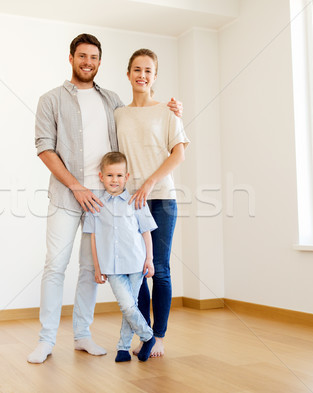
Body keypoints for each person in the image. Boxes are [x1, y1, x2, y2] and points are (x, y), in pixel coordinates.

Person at [29, 34, 182, 364]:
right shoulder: (51, 99)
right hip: (68, 196)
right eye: (82, 55)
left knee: (89, 271)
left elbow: (146, 117)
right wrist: (76, 186)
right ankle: (46, 340)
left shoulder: (112, 101)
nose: (88, 62)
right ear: (71, 58)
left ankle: (82, 335)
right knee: (55, 265)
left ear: (100, 62)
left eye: (94, 57)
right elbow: (44, 147)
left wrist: (175, 111)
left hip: (107, 201)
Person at [115, 48, 190, 358]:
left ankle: (158, 336)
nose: (142, 75)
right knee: (137, 269)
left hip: (160, 198)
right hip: (128, 202)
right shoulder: (119, 113)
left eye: (148, 70)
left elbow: (179, 153)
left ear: (154, 76)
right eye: (137, 69)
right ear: (128, 73)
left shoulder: (167, 112)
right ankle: (144, 334)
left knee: (158, 268)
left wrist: (148, 182)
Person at [83, 152, 157, 362]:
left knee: (129, 305)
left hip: (136, 263)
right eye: (109, 175)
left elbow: (146, 232)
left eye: (118, 175)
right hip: (111, 266)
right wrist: (97, 268)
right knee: (127, 305)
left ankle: (123, 348)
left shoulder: (136, 201)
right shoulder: (95, 205)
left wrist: (149, 259)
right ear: (101, 176)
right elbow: (94, 238)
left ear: (127, 177)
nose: (114, 180)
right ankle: (148, 336)